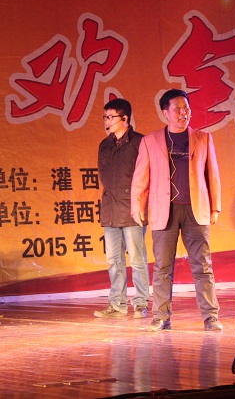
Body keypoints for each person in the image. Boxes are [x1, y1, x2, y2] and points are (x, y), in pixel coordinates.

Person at [131, 89, 223, 332]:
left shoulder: (203, 138)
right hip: (165, 211)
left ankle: (210, 317)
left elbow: (212, 174)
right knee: (162, 267)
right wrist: (137, 205)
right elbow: (140, 177)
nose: (183, 113)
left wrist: (215, 206)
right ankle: (161, 317)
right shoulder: (150, 141)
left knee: (202, 266)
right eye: (177, 109)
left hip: (196, 210)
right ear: (165, 112)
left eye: (186, 108)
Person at [94, 98, 150, 319]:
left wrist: (139, 204)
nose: (107, 121)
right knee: (114, 260)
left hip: (132, 209)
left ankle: (141, 303)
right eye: (105, 117)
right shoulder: (104, 145)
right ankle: (117, 304)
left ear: (125, 118)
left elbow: (145, 176)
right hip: (110, 208)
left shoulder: (139, 142)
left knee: (137, 259)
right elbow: (104, 176)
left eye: (111, 117)